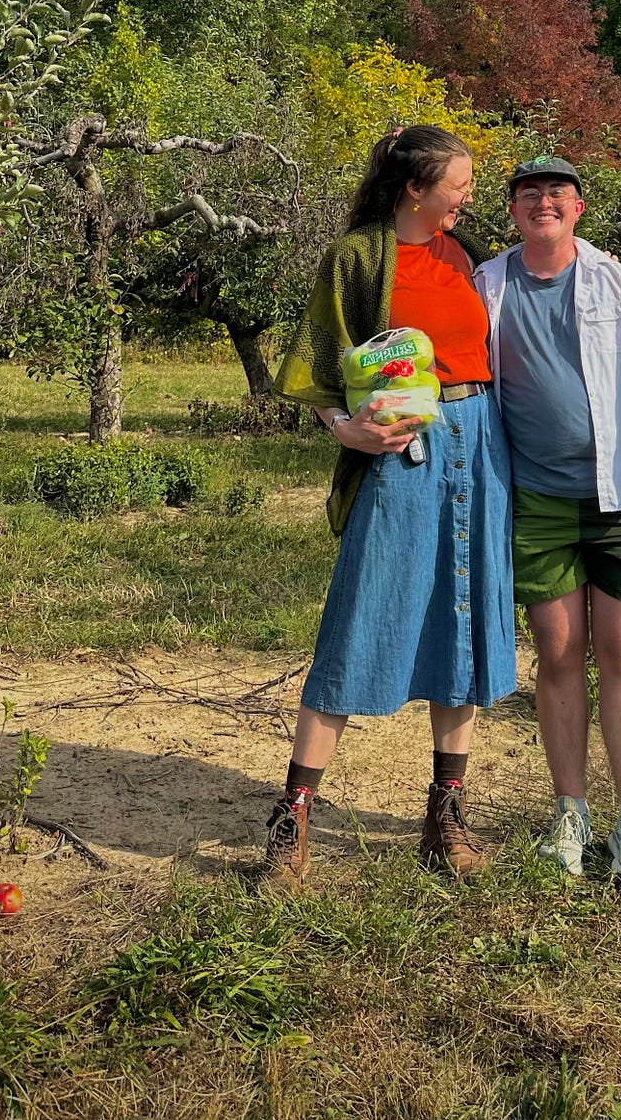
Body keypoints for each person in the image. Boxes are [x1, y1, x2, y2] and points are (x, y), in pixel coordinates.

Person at [264, 124, 515, 888]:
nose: (469, 195)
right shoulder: (358, 257)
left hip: (481, 442)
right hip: (405, 449)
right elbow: (316, 365)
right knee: (360, 615)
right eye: (459, 183)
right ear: (416, 187)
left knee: (466, 624)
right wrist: (347, 428)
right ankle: (291, 818)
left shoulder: (464, 256)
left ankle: (444, 817)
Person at [473, 156, 621, 888]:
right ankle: (570, 814)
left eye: (557, 193)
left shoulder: (617, 284)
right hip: (536, 499)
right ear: (512, 211)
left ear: (579, 208)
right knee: (558, 655)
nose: (543, 203)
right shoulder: (489, 284)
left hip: (620, 494)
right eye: (529, 194)